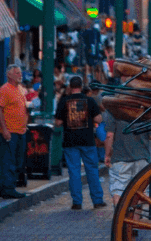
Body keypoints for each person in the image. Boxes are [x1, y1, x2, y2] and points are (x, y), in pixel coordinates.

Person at [55, 76, 107, 210]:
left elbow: (58, 122)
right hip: (87, 140)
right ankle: (97, 200)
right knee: (92, 170)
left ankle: (77, 202)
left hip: (70, 141)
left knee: (74, 172)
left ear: (70, 87)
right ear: (82, 85)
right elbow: (98, 118)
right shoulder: (89, 101)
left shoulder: (64, 101)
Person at [103, 97, 151, 207]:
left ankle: (120, 221)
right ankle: (135, 221)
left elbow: (109, 135)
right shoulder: (144, 110)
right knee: (140, 191)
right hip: (142, 157)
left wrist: (107, 154)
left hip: (120, 158)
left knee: (118, 190)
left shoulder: (113, 111)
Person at [0, 65, 30, 198]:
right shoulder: (4, 90)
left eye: (20, 73)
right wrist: (4, 129)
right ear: (9, 75)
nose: (20, 75)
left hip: (20, 131)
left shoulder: (19, 90)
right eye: (17, 73)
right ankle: (8, 188)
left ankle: (10, 186)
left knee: (17, 160)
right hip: (10, 131)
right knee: (9, 160)